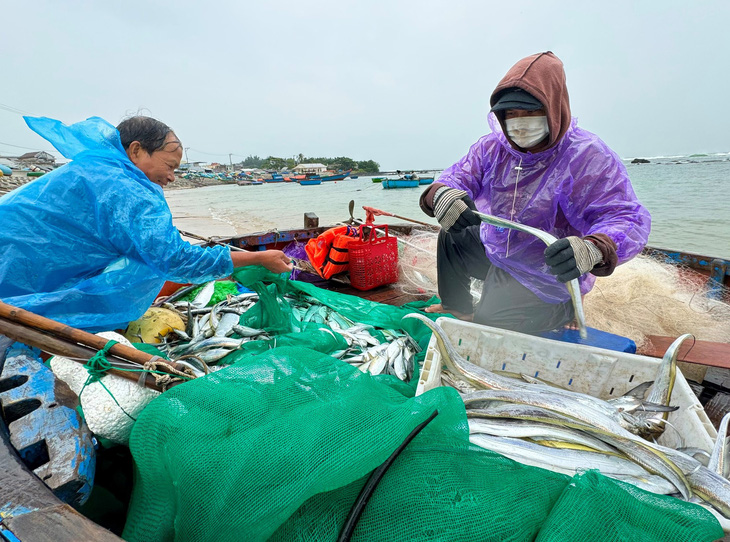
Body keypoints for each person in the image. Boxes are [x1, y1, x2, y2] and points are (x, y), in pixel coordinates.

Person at [419, 51, 650, 334]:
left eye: (531, 112)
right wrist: (441, 195)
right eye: (511, 114)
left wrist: (594, 248)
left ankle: (560, 309)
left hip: (546, 269)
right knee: (452, 233)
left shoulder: (587, 155)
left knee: (491, 330)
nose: (519, 122)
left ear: (554, 109)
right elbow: (456, 176)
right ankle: (458, 307)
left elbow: (625, 217)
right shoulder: (492, 147)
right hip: (498, 249)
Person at [0, 115, 292, 332]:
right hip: (15, 277)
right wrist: (260, 257)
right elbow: (173, 259)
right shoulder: (128, 187)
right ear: (137, 150)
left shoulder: (96, 168)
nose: (173, 177)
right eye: (170, 166)